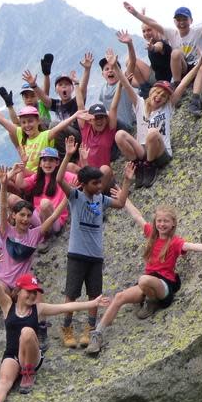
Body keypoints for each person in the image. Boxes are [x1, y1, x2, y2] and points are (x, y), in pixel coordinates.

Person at [89, 198, 202, 352]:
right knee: (119, 297)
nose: (162, 224)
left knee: (143, 280)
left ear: (173, 224)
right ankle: (98, 334)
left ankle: (152, 302)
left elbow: (192, 246)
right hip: (147, 284)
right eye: (159, 221)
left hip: (164, 287)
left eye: (166, 221)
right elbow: (137, 216)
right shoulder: (151, 234)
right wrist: (125, 199)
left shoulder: (175, 242)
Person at [0, 272, 111, 402]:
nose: (32, 295)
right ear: (18, 290)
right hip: (12, 355)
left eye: (35, 292)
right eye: (29, 291)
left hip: (32, 356)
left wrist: (92, 303)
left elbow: (65, 307)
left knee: (27, 332)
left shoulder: (39, 309)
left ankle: (28, 373)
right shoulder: (8, 306)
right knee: (4, 381)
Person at [0, 164, 68, 356]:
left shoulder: (35, 234)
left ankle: (41, 330)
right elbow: (5, 205)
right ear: (13, 217)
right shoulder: (7, 231)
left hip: (22, 283)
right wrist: (4, 185)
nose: (25, 218)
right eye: (21, 215)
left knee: (37, 293)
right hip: (5, 281)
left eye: (28, 215)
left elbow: (55, 215)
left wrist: (68, 194)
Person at [56, 139, 131, 351]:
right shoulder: (75, 196)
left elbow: (120, 203)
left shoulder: (100, 199)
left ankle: (90, 329)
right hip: (77, 254)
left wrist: (126, 180)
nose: (100, 187)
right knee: (71, 294)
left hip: (96, 256)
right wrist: (68, 156)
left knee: (94, 295)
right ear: (85, 184)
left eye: (101, 183)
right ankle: (67, 328)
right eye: (95, 183)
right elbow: (59, 178)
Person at [123, 0, 202, 116]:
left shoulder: (197, 31)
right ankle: (176, 85)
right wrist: (135, 13)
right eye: (179, 20)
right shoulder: (172, 33)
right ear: (174, 21)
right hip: (182, 68)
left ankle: (195, 99)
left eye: (185, 19)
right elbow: (152, 23)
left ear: (191, 20)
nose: (181, 22)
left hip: (196, 68)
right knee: (176, 53)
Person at [111, 47, 202, 187]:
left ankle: (150, 166)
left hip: (161, 152)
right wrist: (115, 68)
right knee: (119, 135)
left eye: (164, 96)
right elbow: (125, 84)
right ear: (152, 92)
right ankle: (138, 167)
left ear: (167, 99)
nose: (159, 97)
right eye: (157, 93)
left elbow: (182, 85)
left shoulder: (167, 107)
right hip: (143, 150)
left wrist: (198, 67)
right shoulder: (139, 103)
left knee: (152, 133)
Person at [0, 91, 80, 173]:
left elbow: (59, 127)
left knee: (71, 166)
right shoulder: (20, 133)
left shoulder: (44, 136)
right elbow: (1, 119)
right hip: (28, 176)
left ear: (38, 121)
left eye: (30, 121)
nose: (27, 125)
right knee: (5, 175)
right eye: (23, 122)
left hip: (41, 173)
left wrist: (75, 115)